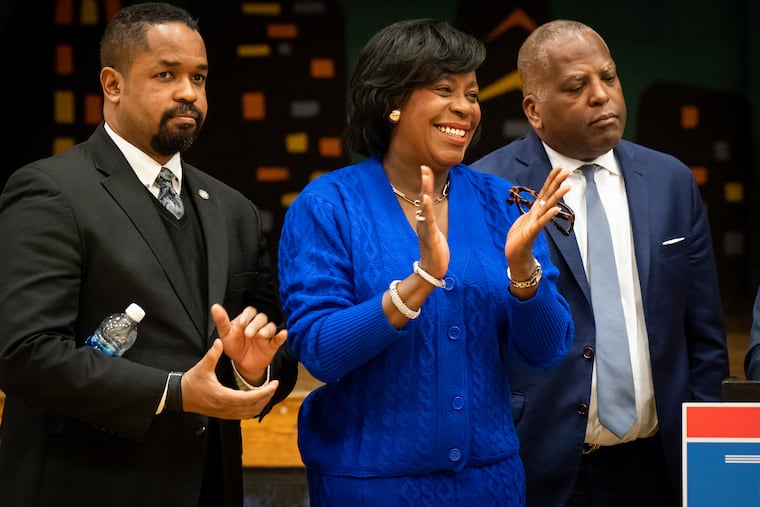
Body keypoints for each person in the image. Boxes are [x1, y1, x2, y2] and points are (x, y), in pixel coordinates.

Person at [0, 3, 298, 506]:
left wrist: (251, 371)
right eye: (167, 74)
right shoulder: (51, 191)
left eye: (199, 77)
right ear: (112, 84)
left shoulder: (235, 210)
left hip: (209, 486)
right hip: (84, 485)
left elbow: (272, 347)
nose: (189, 92)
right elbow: (25, 354)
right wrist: (173, 391)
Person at [277, 18, 575, 506]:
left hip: (490, 486)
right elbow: (321, 352)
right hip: (368, 487)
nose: (464, 108)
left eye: (472, 94)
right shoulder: (330, 204)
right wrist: (420, 281)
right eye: (444, 89)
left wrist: (523, 272)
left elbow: (545, 352)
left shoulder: (503, 203)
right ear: (391, 101)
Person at [472, 19, 729, 506]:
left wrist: (711, 471)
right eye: (576, 86)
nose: (601, 96)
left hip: (662, 465)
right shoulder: (488, 188)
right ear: (534, 109)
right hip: (538, 466)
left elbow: (705, 341)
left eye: (608, 78)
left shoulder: (669, 181)